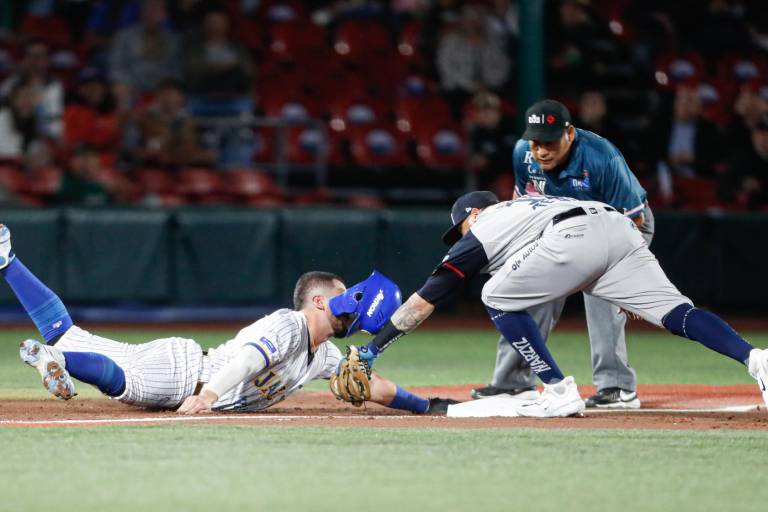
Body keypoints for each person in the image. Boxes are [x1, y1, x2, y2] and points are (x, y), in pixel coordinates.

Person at [342, 190, 768, 418]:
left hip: (573, 235)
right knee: (678, 313)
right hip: (616, 227)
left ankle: (560, 390)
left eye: (459, 229)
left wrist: (373, 347)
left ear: (473, 213)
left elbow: (430, 295)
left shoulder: (485, 225)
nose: (460, 237)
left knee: (494, 295)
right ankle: (756, 360)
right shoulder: (527, 208)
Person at [0, 227, 455, 415]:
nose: (349, 300)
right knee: (124, 384)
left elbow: (370, 384)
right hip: (189, 376)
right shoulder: (288, 325)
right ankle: (57, 357)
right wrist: (209, 395)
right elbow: (247, 362)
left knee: (69, 333)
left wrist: (424, 406)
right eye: (341, 292)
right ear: (318, 301)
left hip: (184, 363)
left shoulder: (323, 354)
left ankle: (7, 261)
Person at [473, 99, 652, 409]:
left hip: (618, 227)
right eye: (536, 142)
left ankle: (617, 387)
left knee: (603, 295)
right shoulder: (522, 154)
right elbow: (523, 203)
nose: (541, 150)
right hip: (561, 229)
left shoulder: (601, 157)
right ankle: (514, 383)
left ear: (569, 133)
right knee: (526, 289)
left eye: (550, 141)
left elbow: (633, 219)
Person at [719, 113, 768, 210]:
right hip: (745, 214)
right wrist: (741, 186)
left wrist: (760, 187)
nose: (763, 138)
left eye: (766, 134)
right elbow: (723, 188)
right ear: (753, 137)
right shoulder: (741, 158)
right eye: (759, 134)